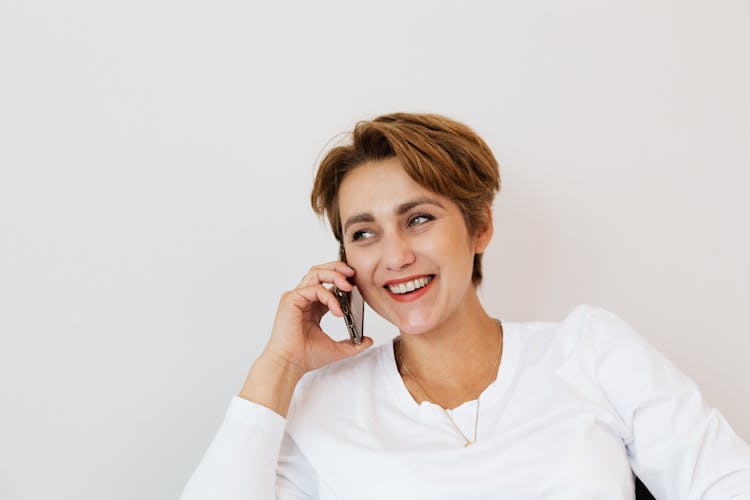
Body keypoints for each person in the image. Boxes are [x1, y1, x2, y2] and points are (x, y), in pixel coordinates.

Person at [180, 113, 750, 499]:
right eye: (364, 233)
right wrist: (278, 368)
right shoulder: (322, 404)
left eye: (419, 219)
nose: (395, 256)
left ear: (480, 227)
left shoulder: (590, 351)